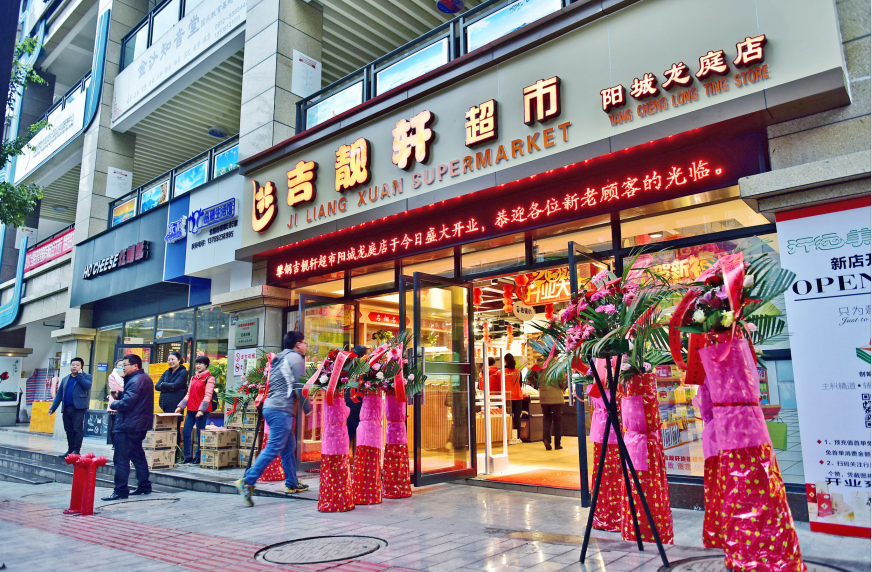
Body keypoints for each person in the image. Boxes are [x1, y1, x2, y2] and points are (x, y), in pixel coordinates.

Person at [236, 331, 312, 506]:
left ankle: (292, 483)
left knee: (288, 447)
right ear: (298, 344)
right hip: (281, 409)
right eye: (304, 342)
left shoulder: (280, 357)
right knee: (274, 447)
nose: (305, 346)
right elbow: (299, 385)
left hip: (271, 407)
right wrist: (307, 408)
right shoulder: (295, 358)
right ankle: (247, 481)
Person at [102, 354, 153, 500]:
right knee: (137, 456)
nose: (122, 368)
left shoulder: (136, 380)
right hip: (137, 425)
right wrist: (120, 394)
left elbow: (128, 402)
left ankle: (120, 490)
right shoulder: (142, 378)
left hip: (128, 425)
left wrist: (114, 404)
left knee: (121, 458)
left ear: (135, 366)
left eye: (125, 365)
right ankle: (144, 486)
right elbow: (134, 397)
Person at [48, 357, 92, 457]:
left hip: (78, 408)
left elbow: (87, 386)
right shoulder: (65, 379)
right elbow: (59, 395)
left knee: (77, 429)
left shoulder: (87, 376)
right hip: (67, 408)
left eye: (77, 365)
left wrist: (80, 375)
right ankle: (70, 450)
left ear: (81, 366)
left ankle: (76, 450)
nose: (74, 367)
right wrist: (53, 408)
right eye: (73, 365)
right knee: (68, 430)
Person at [174, 356, 215, 464]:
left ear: (206, 365)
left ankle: (199, 456)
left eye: (200, 363)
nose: (198, 366)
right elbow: (188, 394)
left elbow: (208, 395)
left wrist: (201, 410)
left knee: (199, 434)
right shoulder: (193, 378)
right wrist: (181, 406)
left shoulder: (209, 378)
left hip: (201, 411)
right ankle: (187, 456)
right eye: (197, 363)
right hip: (191, 409)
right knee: (186, 432)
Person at [528, 362, 567, 450]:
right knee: (557, 419)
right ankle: (557, 444)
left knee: (546, 418)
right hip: (556, 396)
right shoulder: (557, 365)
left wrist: (538, 384)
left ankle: (546, 439)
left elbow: (529, 376)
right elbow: (561, 380)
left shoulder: (539, 364)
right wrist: (563, 387)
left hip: (544, 396)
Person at [155, 351, 188, 436]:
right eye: (169, 360)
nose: (170, 361)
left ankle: (176, 445)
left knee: (175, 429)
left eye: (172, 359)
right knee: (164, 429)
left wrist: (164, 384)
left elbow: (175, 385)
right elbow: (157, 386)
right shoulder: (167, 372)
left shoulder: (183, 372)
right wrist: (169, 387)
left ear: (179, 360)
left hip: (176, 405)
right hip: (164, 405)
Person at [504, 354, 524, 440]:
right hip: (517, 396)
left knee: (507, 417)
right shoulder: (518, 371)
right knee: (517, 417)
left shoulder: (502, 372)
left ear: (505, 361)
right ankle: (517, 437)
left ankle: (508, 436)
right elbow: (520, 384)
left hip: (507, 397)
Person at [106, 360, 125, 444]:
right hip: (115, 403)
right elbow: (114, 388)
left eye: (123, 365)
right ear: (115, 366)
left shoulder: (126, 376)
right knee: (114, 424)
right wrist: (124, 390)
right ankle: (114, 443)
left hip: (124, 403)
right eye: (120, 365)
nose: (122, 367)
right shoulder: (112, 376)